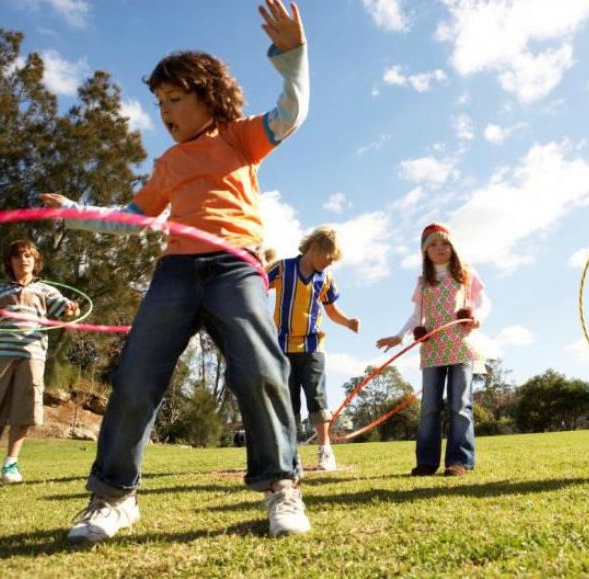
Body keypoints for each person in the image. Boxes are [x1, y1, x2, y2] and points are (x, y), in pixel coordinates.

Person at [40, 0, 311, 541]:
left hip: (235, 265)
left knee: (259, 368)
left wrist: (292, 56)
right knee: (136, 376)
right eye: (159, 101)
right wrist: (78, 213)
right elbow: (131, 220)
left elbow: (291, 113)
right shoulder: (167, 164)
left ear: (207, 96)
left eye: (175, 98)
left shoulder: (238, 136)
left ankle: (282, 486)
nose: (164, 111)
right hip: (175, 271)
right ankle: (113, 497)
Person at [376, 223, 489, 477]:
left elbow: (484, 302)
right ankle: (427, 462)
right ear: (424, 252)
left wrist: (476, 316)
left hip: (461, 345)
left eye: (445, 243)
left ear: (453, 247)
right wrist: (400, 336)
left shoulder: (466, 274)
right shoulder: (423, 282)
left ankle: (459, 461)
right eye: (433, 245)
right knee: (429, 407)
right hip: (433, 349)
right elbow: (417, 315)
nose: (440, 249)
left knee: (460, 404)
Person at [0, 240, 79, 483]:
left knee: (24, 407)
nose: (23, 260)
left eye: (28, 256)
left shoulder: (45, 290)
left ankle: (10, 465)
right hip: (1, 354)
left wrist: (71, 310)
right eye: (18, 256)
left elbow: (65, 310)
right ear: (9, 263)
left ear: (36, 263)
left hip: (33, 354)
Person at [268, 226, 360, 471]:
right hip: (282, 346)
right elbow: (256, 284)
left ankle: (325, 450)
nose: (329, 265)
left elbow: (331, 311)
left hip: (312, 346)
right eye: (328, 259)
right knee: (288, 401)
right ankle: (289, 454)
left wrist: (348, 321)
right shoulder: (282, 268)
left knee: (317, 397)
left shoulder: (325, 279)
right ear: (315, 248)